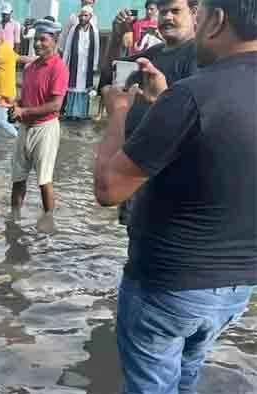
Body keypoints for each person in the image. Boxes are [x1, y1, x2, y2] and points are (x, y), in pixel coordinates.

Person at [95, 0, 257, 392]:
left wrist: (117, 112)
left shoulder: (192, 95)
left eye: (197, 17)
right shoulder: (184, 95)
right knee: (187, 373)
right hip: (236, 287)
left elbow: (108, 189)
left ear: (216, 21)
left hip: (169, 283)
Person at [102, 0, 199, 226]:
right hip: (137, 163)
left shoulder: (197, 56)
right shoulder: (154, 53)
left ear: (194, 13)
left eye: (175, 11)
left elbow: (194, 118)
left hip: (167, 171)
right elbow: (110, 76)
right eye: (164, 12)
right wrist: (117, 36)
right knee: (135, 236)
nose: (167, 17)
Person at [9, 19, 69, 219]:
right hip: (25, 128)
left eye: (43, 39)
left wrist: (23, 112)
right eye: (36, 39)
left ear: (55, 41)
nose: (37, 44)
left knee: (44, 181)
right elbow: (25, 98)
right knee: (17, 179)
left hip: (46, 129)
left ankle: (48, 221)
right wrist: (15, 106)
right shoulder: (30, 68)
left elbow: (55, 105)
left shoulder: (59, 68)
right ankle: (14, 219)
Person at [62, 5, 100, 120]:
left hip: (86, 65)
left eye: (85, 15)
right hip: (74, 64)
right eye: (81, 15)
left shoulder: (94, 31)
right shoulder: (74, 29)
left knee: (84, 88)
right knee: (73, 87)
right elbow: (68, 47)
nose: (82, 18)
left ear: (90, 17)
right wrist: (64, 62)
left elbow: (97, 48)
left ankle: (81, 114)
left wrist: (94, 64)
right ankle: (71, 113)